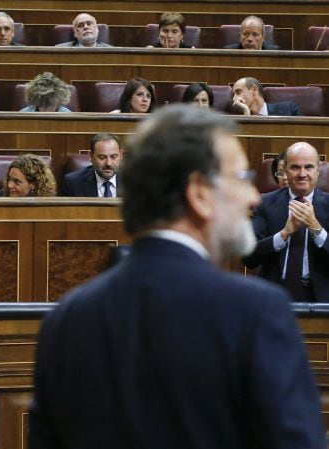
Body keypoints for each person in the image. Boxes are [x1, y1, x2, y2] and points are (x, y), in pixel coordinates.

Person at [29, 104, 325, 449]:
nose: (252, 197)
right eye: (240, 179)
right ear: (199, 193)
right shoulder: (255, 312)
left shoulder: (66, 319)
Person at [243, 141, 329, 302]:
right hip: (274, 296)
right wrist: (283, 234)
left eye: (309, 167)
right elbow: (249, 258)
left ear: (318, 171)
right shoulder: (265, 204)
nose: (302, 174)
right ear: (285, 171)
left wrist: (316, 228)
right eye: (295, 167)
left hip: (323, 299)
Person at [60, 133, 121, 197]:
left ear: (121, 155)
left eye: (113, 157)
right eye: (102, 157)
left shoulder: (131, 181)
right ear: (90, 156)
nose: (108, 163)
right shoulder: (73, 183)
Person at [231, 77, 301, 116]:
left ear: (254, 90)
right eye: (233, 94)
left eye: (238, 92)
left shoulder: (288, 109)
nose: (234, 99)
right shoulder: (235, 117)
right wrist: (246, 113)